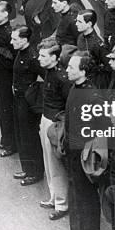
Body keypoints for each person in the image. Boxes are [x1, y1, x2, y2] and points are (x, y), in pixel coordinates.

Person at [62, 51, 102, 230]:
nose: (67, 70)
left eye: (71, 67)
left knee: (86, 196)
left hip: (85, 154)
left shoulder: (92, 96)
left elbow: (98, 130)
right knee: (75, 193)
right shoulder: (74, 88)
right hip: (72, 150)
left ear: (84, 71)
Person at [37, 38, 71, 220]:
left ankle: (62, 203)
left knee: (56, 164)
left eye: (43, 56)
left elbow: (68, 105)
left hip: (55, 124)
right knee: (48, 161)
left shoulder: (61, 77)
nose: (39, 59)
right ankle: (53, 196)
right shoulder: (49, 72)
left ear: (55, 58)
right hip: (45, 119)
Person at [11, 25, 45, 186]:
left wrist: (34, 92)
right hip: (18, 98)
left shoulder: (32, 57)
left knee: (29, 136)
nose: (12, 42)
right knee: (22, 134)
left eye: (15, 39)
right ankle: (27, 168)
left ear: (24, 40)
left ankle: (35, 171)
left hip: (26, 101)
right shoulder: (21, 52)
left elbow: (45, 75)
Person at [0, 1, 17, 157]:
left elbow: (13, 56)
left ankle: (11, 144)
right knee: (2, 107)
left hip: (7, 77)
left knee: (8, 109)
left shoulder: (8, 32)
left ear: (6, 14)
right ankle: (5, 139)